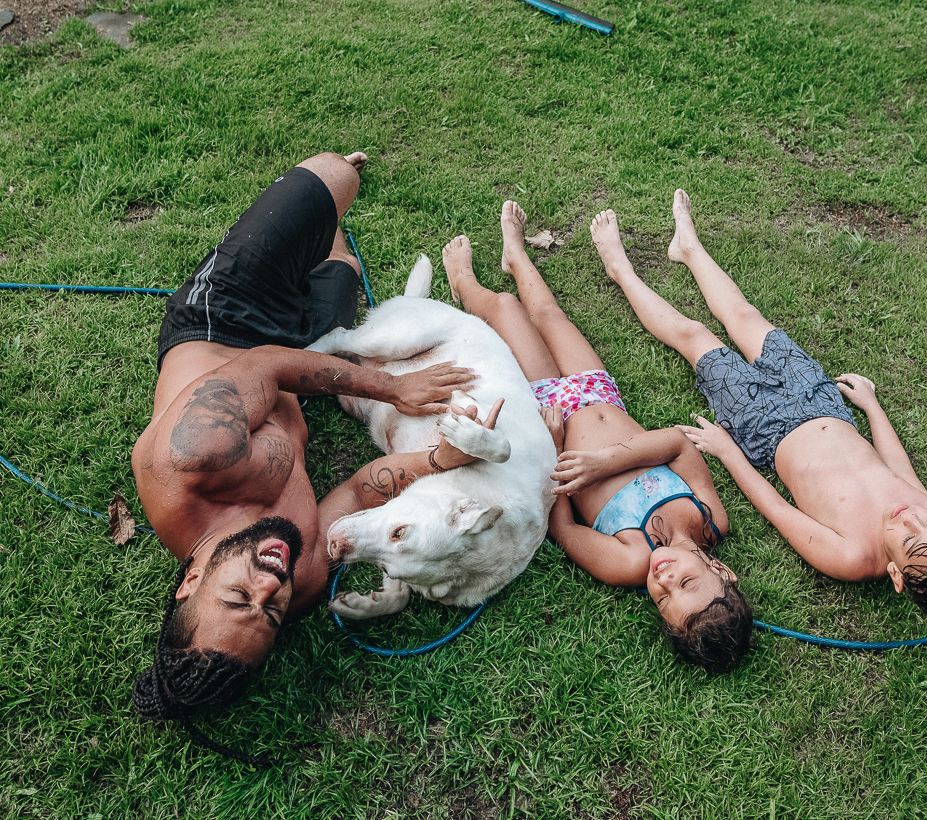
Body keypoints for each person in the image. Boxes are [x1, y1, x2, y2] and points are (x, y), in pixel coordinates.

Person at [129, 152, 480, 744]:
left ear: (190, 581)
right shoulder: (301, 581)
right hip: (299, 372)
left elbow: (269, 364)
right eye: (268, 615)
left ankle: (319, 187)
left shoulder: (194, 457)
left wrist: (394, 387)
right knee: (339, 270)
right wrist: (440, 460)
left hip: (229, 324)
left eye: (239, 596)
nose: (270, 586)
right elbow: (360, 491)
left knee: (339, 177)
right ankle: (320, 240)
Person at [593, 190, 927, 631]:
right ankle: (688, 248)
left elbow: (777, 510)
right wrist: (872, 407)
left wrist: (728, 451)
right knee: (746, 317)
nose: (913, 517)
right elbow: (898, 468)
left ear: (896, 576)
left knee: (695, 337)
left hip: (763, 426)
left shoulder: (852, 556)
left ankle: (621, 270)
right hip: (820, 400)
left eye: (909, 538)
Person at [438, 201, 753, 674]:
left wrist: (555, 444)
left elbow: (563, 529)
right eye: (687, 585)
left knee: (505, 310)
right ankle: (515, 257)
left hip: (551, 413)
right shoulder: (709, 519)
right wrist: (604, 464)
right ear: (722, 572)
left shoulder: (626, 563)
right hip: (598, 393)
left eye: (664, 601)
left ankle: (464, 282)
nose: (664, 580)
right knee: (549, 315)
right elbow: (679, 444)